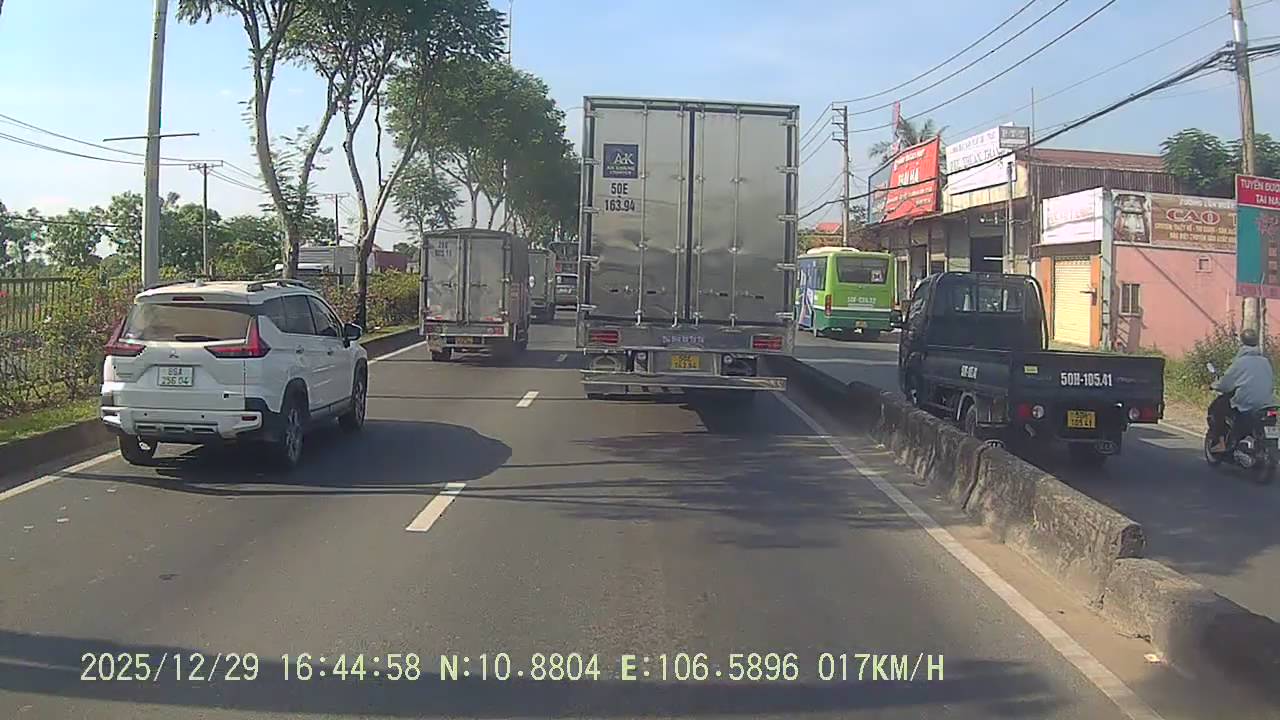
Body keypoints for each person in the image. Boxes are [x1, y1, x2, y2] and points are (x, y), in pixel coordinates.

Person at [1208, 328, 1276, 452]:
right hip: (1268, 404)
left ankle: (1222, 443)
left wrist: (1215, 385)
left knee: (1218, 409)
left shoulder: (1240, 362)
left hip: (1247, 403)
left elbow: (1226, 384)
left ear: (1242, 341)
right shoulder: (1266, 362)